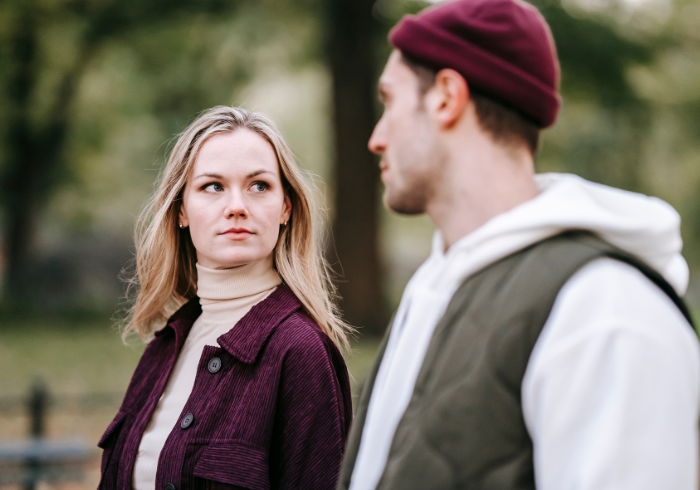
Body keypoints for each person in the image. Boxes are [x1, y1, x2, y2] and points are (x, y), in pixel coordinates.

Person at [338, 1, 700, 489]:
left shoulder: (605, 310)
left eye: (390, 101)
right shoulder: (436, 284)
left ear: (446, 96)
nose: (376, 138)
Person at [97, 106, 353, 490]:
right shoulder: (166, 345)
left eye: (259, 186)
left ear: (286, 207)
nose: (237, 206)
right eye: (212, 186)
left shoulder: (300, 352)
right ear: (182, 209)